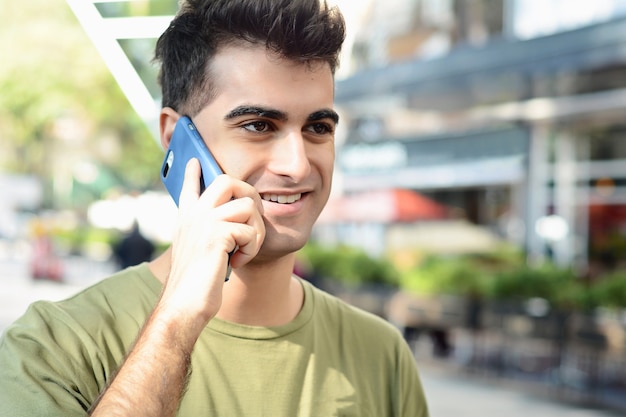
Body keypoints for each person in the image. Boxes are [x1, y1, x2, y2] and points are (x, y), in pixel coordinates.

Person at [0, 1, 430, 416]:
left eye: (318, 128)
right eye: (258, 126)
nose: (298, 165)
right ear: (175, 138)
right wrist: (177, 322)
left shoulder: (383, 356)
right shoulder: (53, 346)